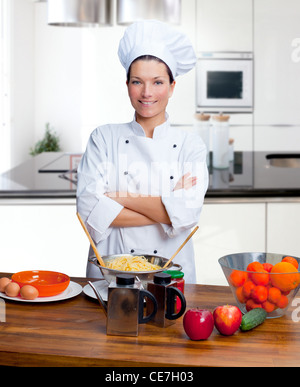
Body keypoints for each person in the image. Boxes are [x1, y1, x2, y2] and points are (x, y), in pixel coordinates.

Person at [76, 20, 209, 283]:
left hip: (170, 276)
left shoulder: (190, 146)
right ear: (127, 84)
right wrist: (167, 209)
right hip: (110, 277)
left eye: (158, 82)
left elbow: (188, 215)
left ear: (172, 87)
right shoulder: (103, 138)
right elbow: (89, 210)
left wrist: (117, 198)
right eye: (138, 82)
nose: (147, 93)